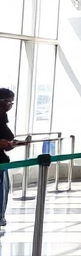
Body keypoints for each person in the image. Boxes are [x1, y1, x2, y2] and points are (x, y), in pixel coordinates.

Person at [0, 89, 25, 228]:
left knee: (3, 192)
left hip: (2, 162)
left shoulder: (2, 117)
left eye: (12, 102)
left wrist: (10, 144)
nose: (10, 105)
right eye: (8, 101)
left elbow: (7, 138)